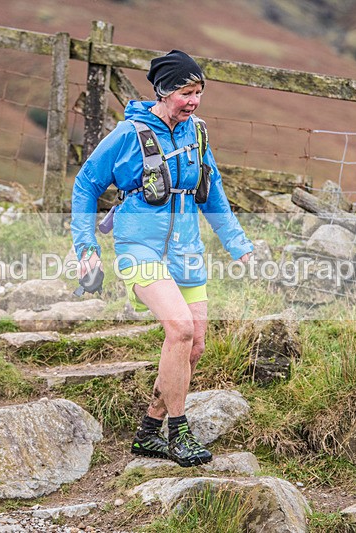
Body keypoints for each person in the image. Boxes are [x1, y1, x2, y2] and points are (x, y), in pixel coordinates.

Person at [70, 50, 253, 467]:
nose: (193, 101)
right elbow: (85, 185)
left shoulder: (198, 133)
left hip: (186, 251)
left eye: (199, 92)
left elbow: (214, 191)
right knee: (180, 326)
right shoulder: (127, 135)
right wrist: (86, 247)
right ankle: (178, 433)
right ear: (164, 92)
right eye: (186, 93)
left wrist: (238, 243)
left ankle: (148, 432)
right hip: (139, 247)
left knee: (193, 346)